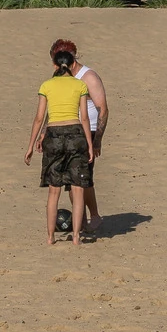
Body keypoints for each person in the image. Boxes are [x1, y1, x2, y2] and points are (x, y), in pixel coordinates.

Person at [25, 39, 96, 243]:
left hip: (54, 135)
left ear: (55, 65)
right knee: (77, 188)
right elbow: (84, 118)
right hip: (75, 134)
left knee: (53, 192)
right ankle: (75, 236)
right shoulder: (80, 85)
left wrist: (31, 145)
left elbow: (39, 118)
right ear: (72, 64)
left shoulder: (47, 85)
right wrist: (90, 145)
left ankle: (50, 237)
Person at [69, 47, 112, 237]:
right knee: (71, 182)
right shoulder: (62, 78)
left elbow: (103, 109)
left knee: (84, 179)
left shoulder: (89, 77)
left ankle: (94, 216)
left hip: (90, 131)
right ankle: (82, 220)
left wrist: (97, 141)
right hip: (68, 131)